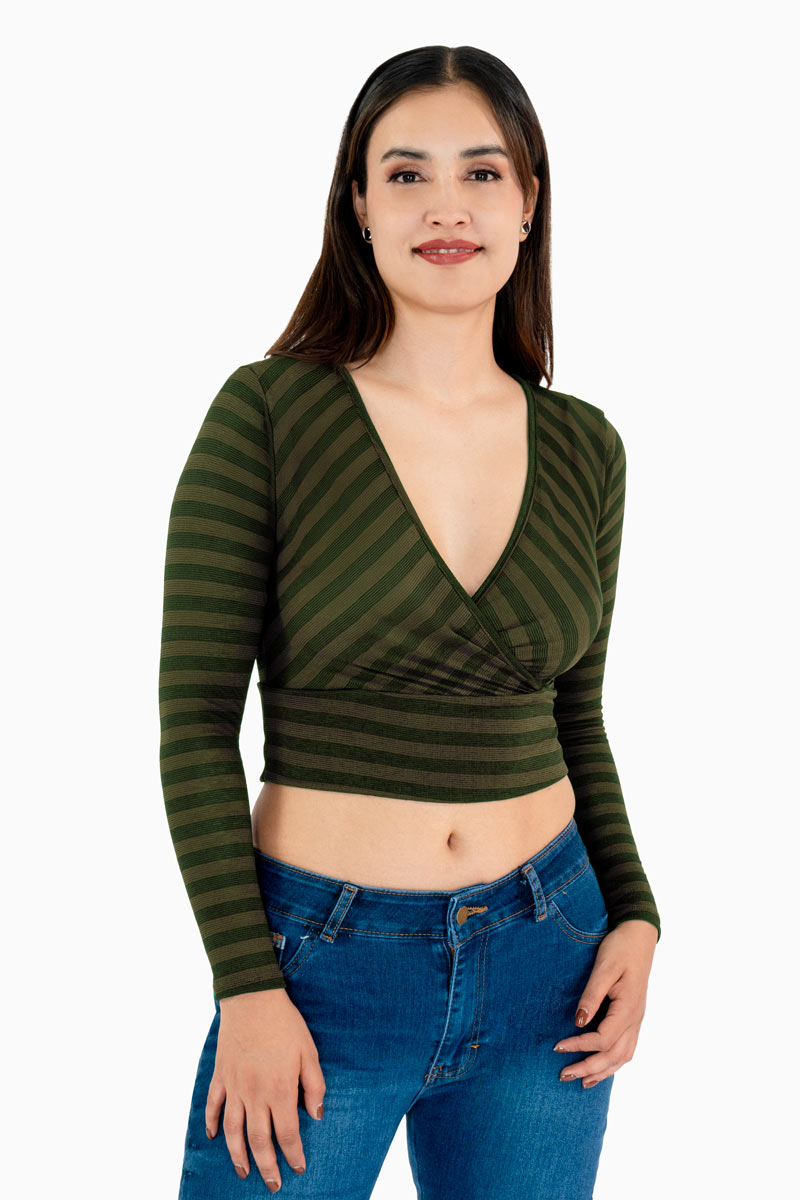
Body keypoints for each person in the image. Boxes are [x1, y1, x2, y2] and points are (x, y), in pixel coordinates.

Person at [159, 44, 661, 1199]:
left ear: (527, 203)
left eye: (481, 173)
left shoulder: (585, 446)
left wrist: (634, 915)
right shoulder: (269, 414)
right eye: (405, 174)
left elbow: (575, 714)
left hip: (550, 959)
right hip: (320, 973)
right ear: (358, 205)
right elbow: (193, 723)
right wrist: (247, 985)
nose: (446, 207)